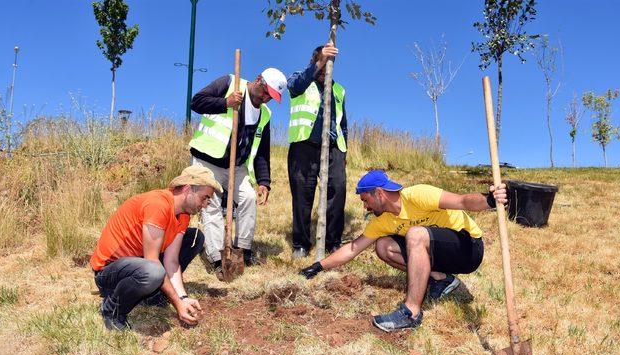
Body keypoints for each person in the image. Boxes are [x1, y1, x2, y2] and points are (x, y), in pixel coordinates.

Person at [299, 169, 508, 333]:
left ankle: (411, 313)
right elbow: (353, 248)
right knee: (383, 246)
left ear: (378, 193)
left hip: (468, 247)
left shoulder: (417, 195)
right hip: (441, 254)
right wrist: (318, 266)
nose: (365, 207)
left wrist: (488, 200)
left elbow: (462, 201)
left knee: (415, 235)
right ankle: (441, 279)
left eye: (365, 200)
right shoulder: (383, 221)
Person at [90, 165, 223, 330]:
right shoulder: (158, 205)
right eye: (204, 198)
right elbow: (152, 261)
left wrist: (182, 298)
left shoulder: (183, 214)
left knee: (195, 238)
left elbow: (172, 261)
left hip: (138, 265)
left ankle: (153, 295)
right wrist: (177, 304)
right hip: (109, 273)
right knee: (153, 272)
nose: (205, 205)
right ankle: (112, 309)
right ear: (188, 189)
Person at [189, 68, 287, 277]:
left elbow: (262, 151)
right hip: (208, 160)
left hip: (237, 166)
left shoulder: (265, 114)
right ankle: (217, 258)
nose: (266, 98)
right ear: (258, 79)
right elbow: (196, 102)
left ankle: (243, 250)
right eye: (265, 92)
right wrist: (225, 104)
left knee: (248, 198)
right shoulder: (229, 83)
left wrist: (264, 181)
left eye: (272, 96)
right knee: (211, 204)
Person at [286, 42, 348, 258]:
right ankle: (301, 243)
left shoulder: (338, 89)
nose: (325, 70)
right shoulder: (300, 79)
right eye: (322, 63)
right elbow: (293, 86)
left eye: (329, 64)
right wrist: (320, 60)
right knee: (302, 196)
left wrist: (344, 151)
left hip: (333, 148)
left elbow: (343, 123)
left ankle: (333, 242)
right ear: (315, 61)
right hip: (304, 146)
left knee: (337, 192)